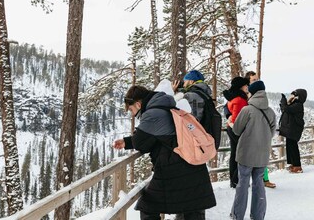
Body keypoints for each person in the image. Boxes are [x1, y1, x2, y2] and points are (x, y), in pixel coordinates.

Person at [113, 85, 216, 220]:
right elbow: (154, 137)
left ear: (138, 104)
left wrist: (131, 140)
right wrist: (127, 142)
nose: (133, 114)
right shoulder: (167, 107)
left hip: (175, 169)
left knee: (147, 206)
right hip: (192, 167)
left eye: (132, 109)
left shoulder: (152, 114)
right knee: (192, 209)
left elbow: (141, 143)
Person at [230, 80, 276, 220]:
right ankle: (258, 215)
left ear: (253, 93)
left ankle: (238, 215)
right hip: (262, 154)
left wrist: (231, 123)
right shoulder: (271, 112)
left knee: (243, 185)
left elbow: (237, 130)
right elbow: (272, 133)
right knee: (259, 184)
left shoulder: (247, 110)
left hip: (246, 153)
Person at [244, 71, 276, 189]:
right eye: (253, 80)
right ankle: (249, 180)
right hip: (249, 133)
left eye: (257, 79)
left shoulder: (261, 96)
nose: (256, 81)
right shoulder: (245, 96)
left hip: (261, 132)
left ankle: (264, 179)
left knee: (263, 155)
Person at [223, 76, 249, 188]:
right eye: (245, 85)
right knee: (242, 155)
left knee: (235, 153)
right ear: (241, 86)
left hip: (231, 128)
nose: (247, 87)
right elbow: (237, 118)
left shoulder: (233, 97)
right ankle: (236, 180)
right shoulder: (239, 99)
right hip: (236, 129)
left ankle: (234, 180)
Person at [279, 89, 307, 173]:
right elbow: (284, 110)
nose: (293, 97)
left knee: (293, 147)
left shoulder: (298, 105)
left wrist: (284, 100)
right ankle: (293, 164)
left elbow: (286, 109)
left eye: (295, 95)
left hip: (294, 129)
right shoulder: (294, 104)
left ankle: (297, 166)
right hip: (291, 128)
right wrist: (287, 102)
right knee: (290, 146)